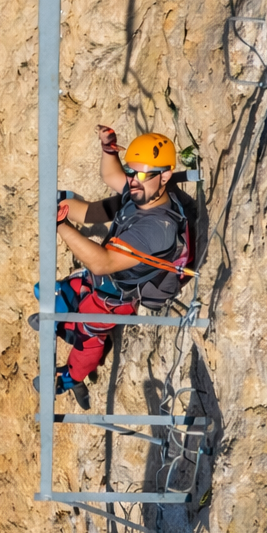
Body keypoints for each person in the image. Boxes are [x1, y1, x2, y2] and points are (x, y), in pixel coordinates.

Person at [31, 125, 192, 409]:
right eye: (132, 172)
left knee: (86, 342)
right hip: (98, 282)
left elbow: (101, 262)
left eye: (142, 174)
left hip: (114, 299)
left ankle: (71, 377)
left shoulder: (158, 229)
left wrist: (60, 226)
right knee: (45, 291)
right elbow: (110, 176)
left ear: (165, 175)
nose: (133, 181)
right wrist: (108, 148)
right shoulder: (142, 195)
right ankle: (68, 325)